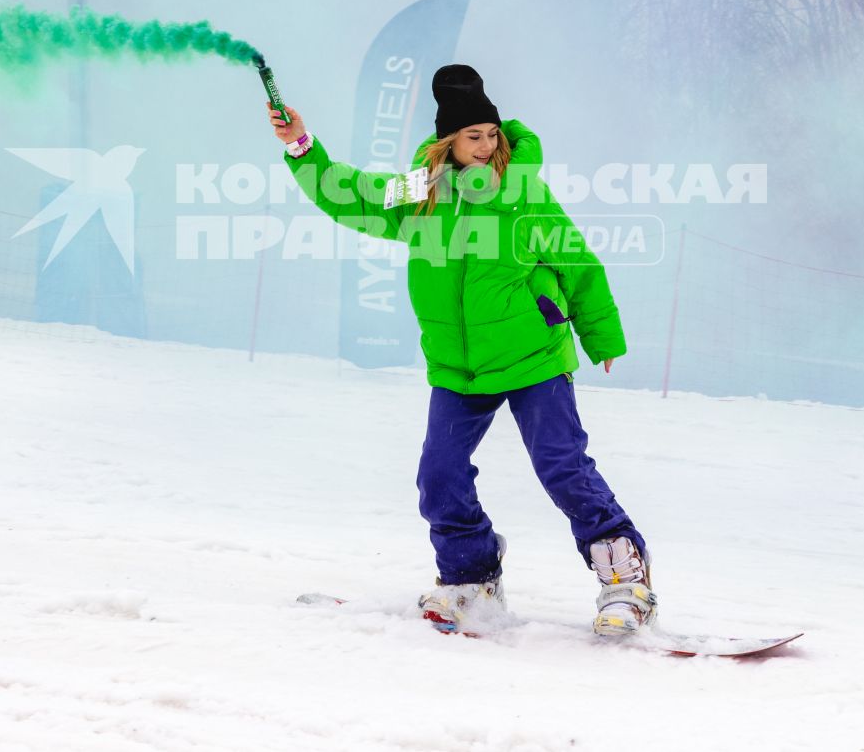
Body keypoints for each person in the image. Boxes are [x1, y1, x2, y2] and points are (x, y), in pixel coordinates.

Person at [267, 64, 653, 637]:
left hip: (533, 356)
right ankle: (471, 579)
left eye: (492, 134)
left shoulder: (524, 194)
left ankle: (625, 582)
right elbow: (350, 195)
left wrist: (602, 336)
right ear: (449, 142)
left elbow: (577, 263)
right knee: (440, 476)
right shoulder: (421, 192)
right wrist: (302, 145)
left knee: (562, 467)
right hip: (459, 365)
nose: (486, 145)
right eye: (473, 136)